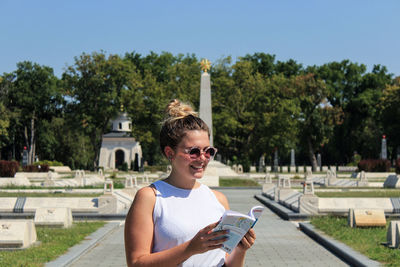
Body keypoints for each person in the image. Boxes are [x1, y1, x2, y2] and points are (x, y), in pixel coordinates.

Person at [124, 99, 256, 267]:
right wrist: (190, 248)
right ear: (170, 153)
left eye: (208, 151)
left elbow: (226, 263)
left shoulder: (218, 199)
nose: (202, 158)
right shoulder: (150, 197)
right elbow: (136, 263)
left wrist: (240, 249)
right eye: (193, 152)